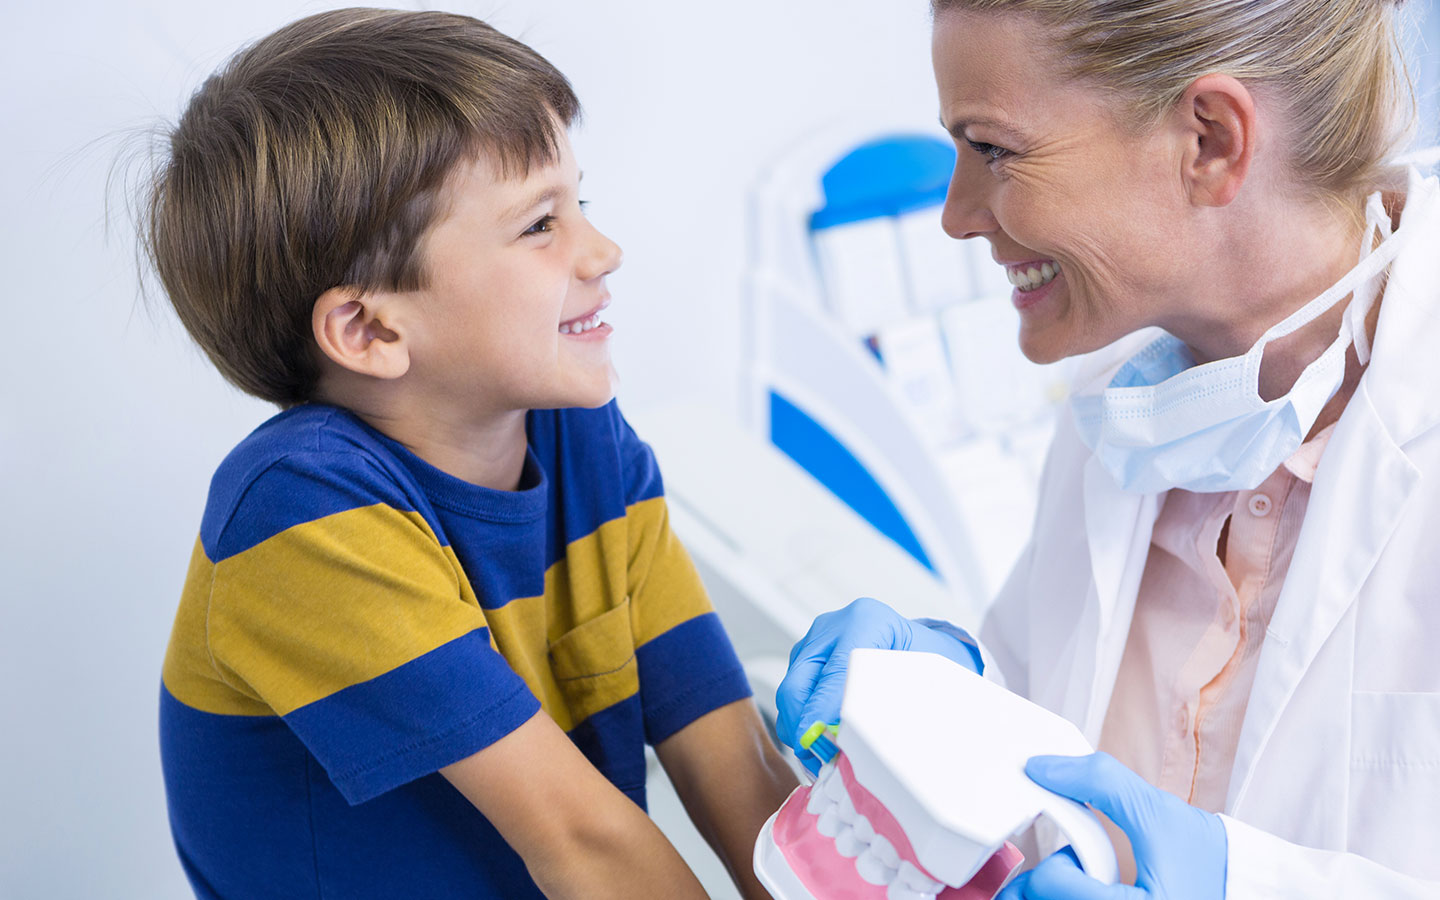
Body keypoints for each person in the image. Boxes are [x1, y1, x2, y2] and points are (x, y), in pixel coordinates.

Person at [776, 1, 1440, 897]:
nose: (957, 215)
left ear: (1208, 140)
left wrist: (1242, 884)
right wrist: (959, 701)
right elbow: (1053, 734)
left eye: (994, 151)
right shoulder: (1130, 413)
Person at [144, 9, 796, 899]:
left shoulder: (582, 442)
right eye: (539, 226)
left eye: (582, 204)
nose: (603, 252)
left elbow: (735, 761)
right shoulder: (299, 511)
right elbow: (583, 839)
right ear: (369, 328)